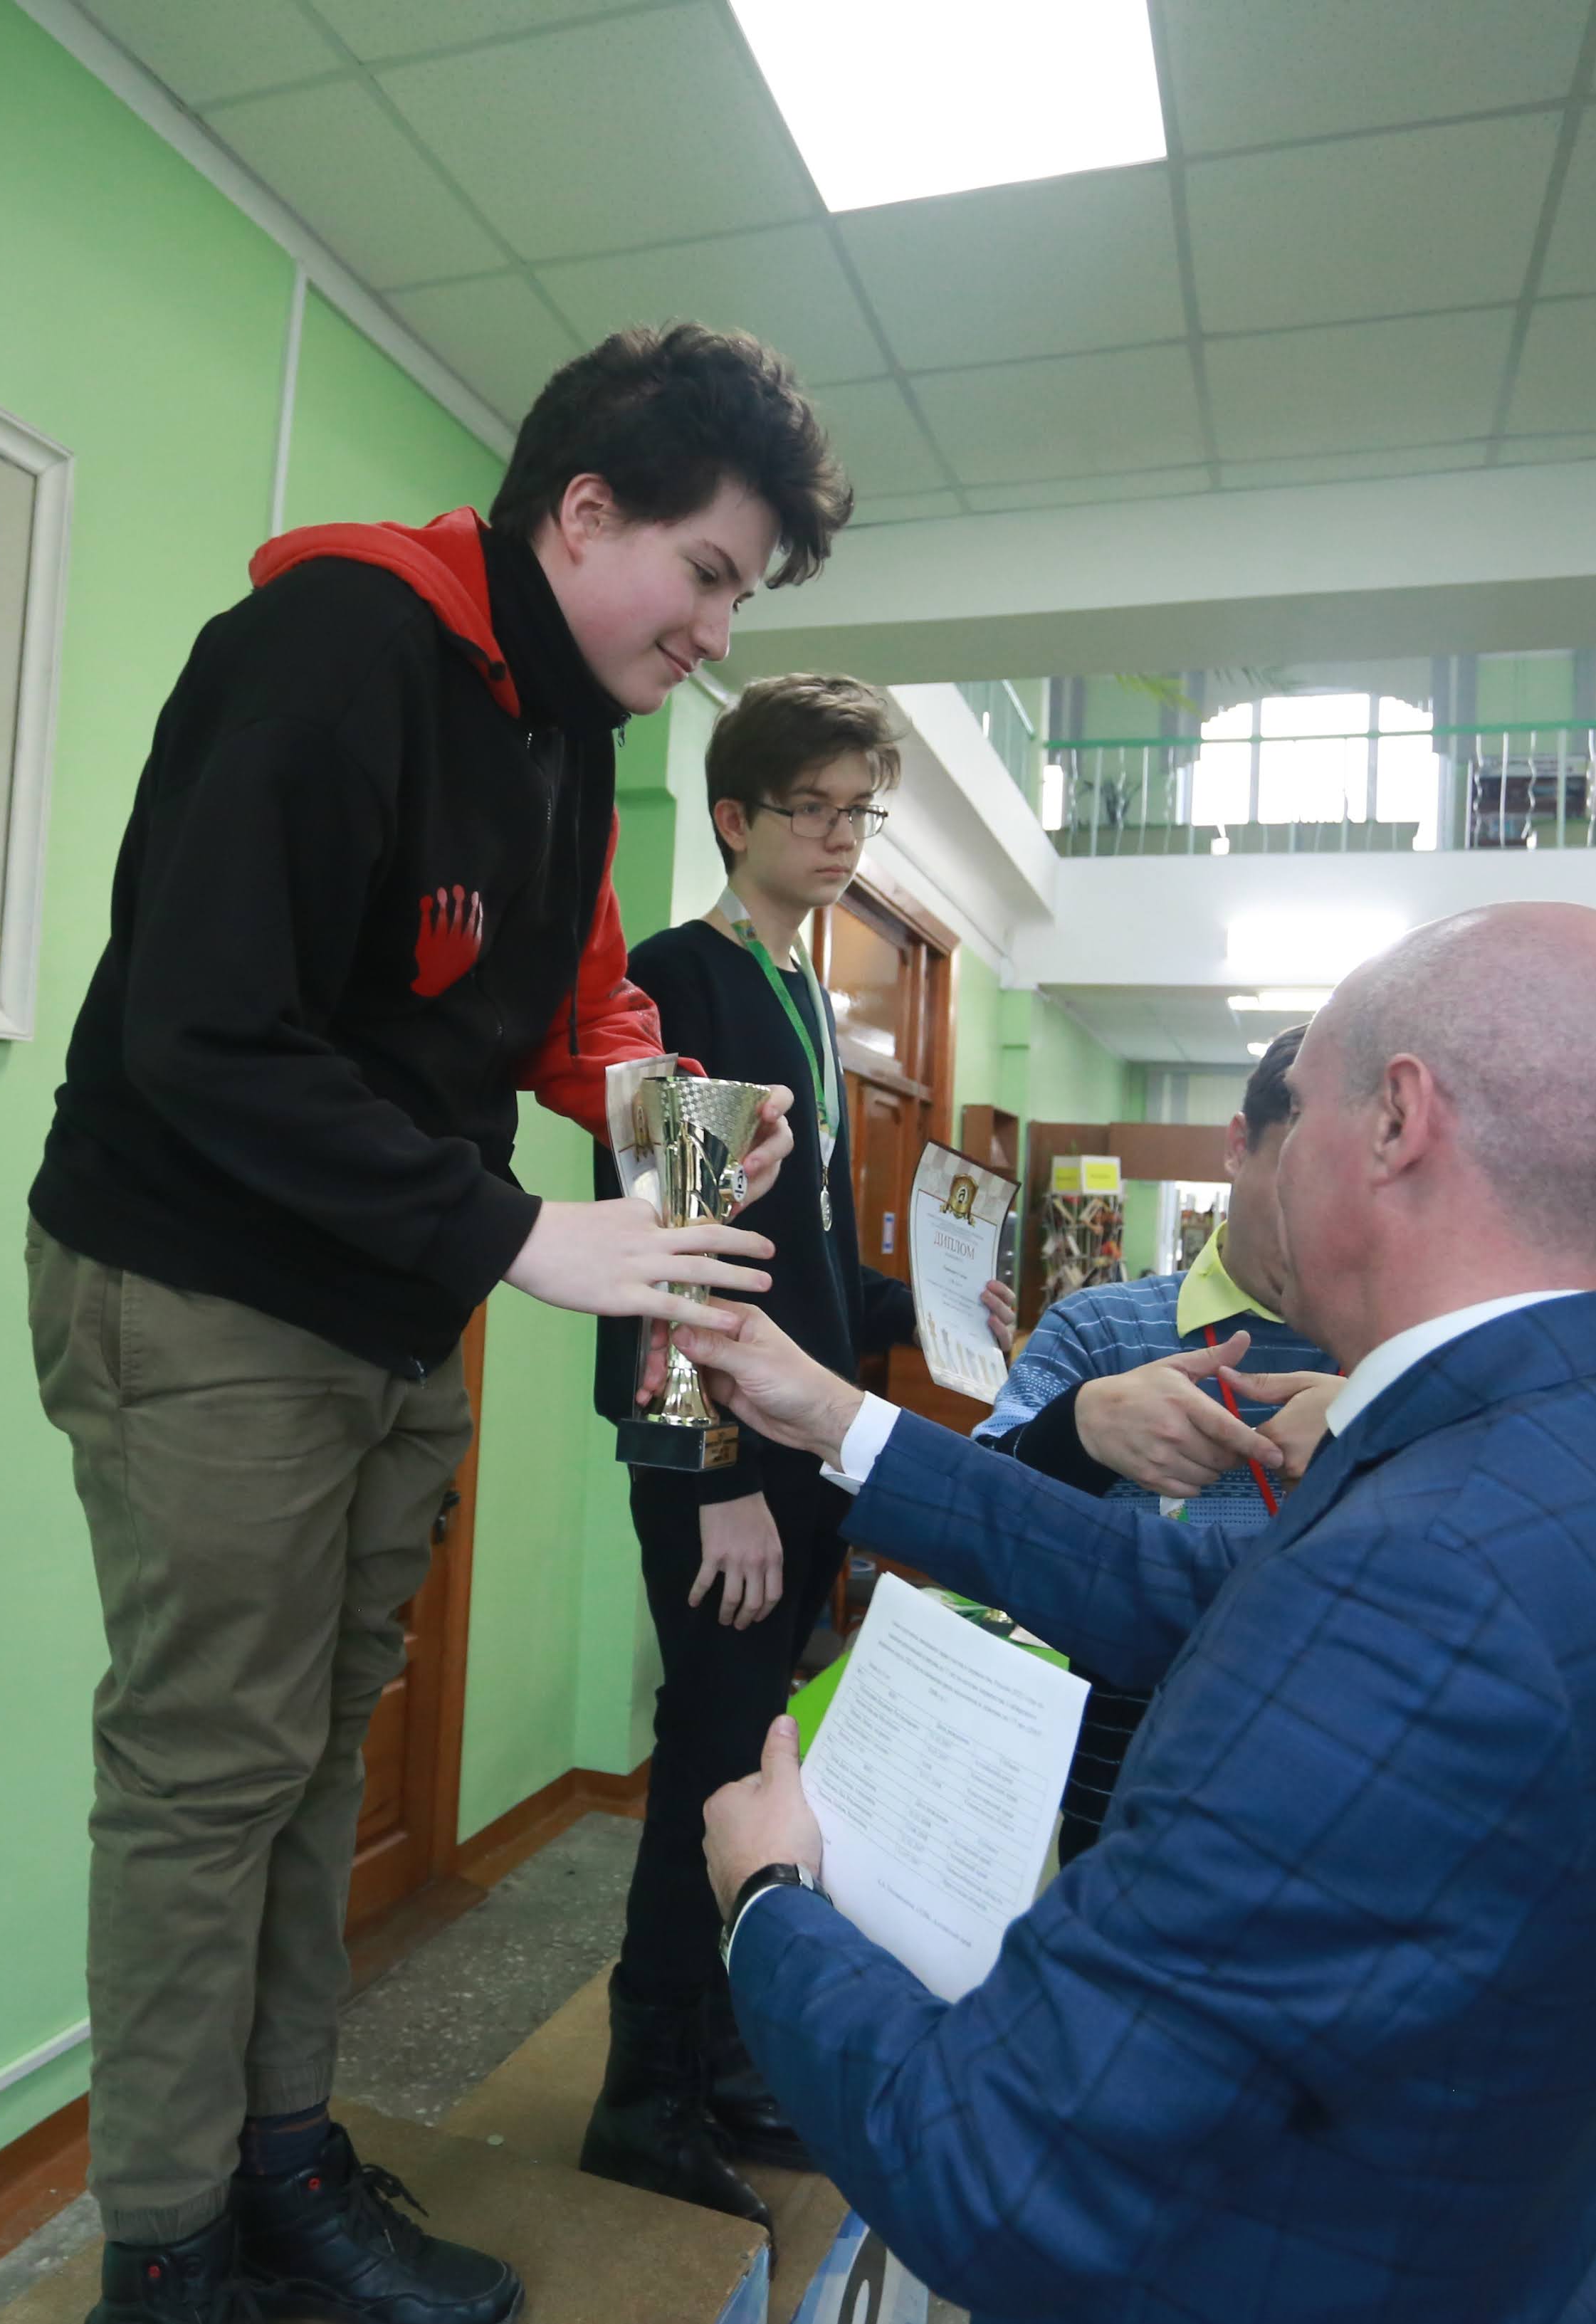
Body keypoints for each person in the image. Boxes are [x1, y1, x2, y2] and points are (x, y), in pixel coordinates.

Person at [24, 324, 846, 2324]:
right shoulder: (333, 651)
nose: (716, 636)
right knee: (207, 1776)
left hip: (386, 1308)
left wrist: (666, 1124)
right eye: (707, 574)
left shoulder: (561, 736)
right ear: (583, 510)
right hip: (205, 1284)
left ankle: (280, 2159)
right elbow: (204, 1034)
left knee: (315, 1757)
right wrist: (523, 1233)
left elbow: (578, 1009)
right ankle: (167, 2250)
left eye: (742, 596)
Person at [677, 901, 1596, 2321]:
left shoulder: (1423, 1577)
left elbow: (1001, 2169)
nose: (1268, 1150)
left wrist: (772, 1903)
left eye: (1298, 1105)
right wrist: (837, 1417)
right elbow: (1172, 1591)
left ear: (1395, 1123)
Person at [573, 675, 1010, 2223]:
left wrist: (928, 1312)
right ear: (732, 815)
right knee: (709, 1763)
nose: (840, 838)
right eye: (810, 809)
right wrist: (721, 1488)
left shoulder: (805, 995)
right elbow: (669, 1244)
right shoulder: (676, 976)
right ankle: (641, 2096)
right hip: (718, 1462)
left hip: (804, 1448)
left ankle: (716, 2058)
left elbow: (805, 1251)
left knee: (762, 1759)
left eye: (857, 812)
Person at [974, 1025, 1338, 1861]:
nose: (1319, 1224)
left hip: (1334, 1810)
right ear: (1238, 1146)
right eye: (1297, 1176)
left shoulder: (1410, 1358)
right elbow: (969, 1516)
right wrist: (1076, 1429)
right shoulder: (1095, 1330)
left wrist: (1383, 1425)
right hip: (1120, 1796)